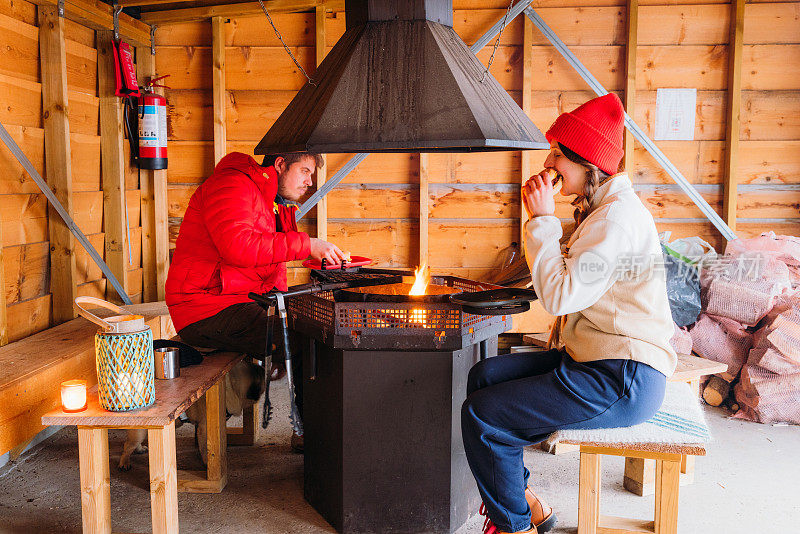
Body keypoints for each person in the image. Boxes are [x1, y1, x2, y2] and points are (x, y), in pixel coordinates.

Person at [461, 93, 677, 534]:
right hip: (594, 358)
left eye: (558, 154)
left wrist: (541, 219)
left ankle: (512, 525)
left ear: (588, 163)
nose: (549, 162)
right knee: (484, 379)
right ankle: (522, 502)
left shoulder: (614, 222)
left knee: (483, 415)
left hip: (622, 376)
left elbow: (560, 297)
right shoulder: (603, 212)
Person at [165, 151, 346, 452]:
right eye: (304, 171)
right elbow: (238, 247)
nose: (309, 182)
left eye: (311, 175)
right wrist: (307, 244)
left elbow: (274, 270)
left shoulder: (273, 202)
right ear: (279, 165)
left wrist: (283, 319)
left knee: (306, 327)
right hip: (205, 307)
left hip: (238, 302)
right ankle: (311, 437)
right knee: (308, 337)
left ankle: (313, 432)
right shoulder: (232, 185)